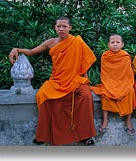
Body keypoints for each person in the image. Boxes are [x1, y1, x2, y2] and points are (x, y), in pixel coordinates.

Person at [8, 16, 97, 146]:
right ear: (55, 28)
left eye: (64, 26)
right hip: (57, 80)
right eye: (59, 26)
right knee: (42, 95)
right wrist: (17, 49)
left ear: (70, 28)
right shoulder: (51, 42)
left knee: (86, 96)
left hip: (76, 79)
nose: (61, 29)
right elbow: (32, 52)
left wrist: (85, 80)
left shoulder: (77, 42)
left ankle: (85, 135)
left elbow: (85, 63)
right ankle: (43, 135)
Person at [91, 34, 135, 136]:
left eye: (117, 42)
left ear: (122, 44)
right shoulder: (105, 56)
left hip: (124, 82)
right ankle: (105, 120)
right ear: (108, 44)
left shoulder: (125, 56)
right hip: (109, 82)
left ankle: (128, 121)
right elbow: (105, 74)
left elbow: (128, 74)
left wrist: (123, 88)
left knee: (130, 92)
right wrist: (110, 86)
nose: (115, 44)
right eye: (112, 42)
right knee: (105, 94)